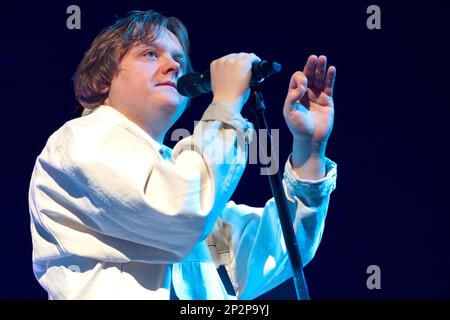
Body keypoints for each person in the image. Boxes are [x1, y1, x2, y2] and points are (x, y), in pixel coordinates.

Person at [28, 10, 337, 300]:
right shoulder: (79, 141)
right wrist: (225, 106)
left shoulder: (180, 172)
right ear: (100, 80)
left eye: (179, 59)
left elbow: (278, 248)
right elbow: (181, 211)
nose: (174, 66)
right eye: (151, 53)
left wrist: (309, 148)